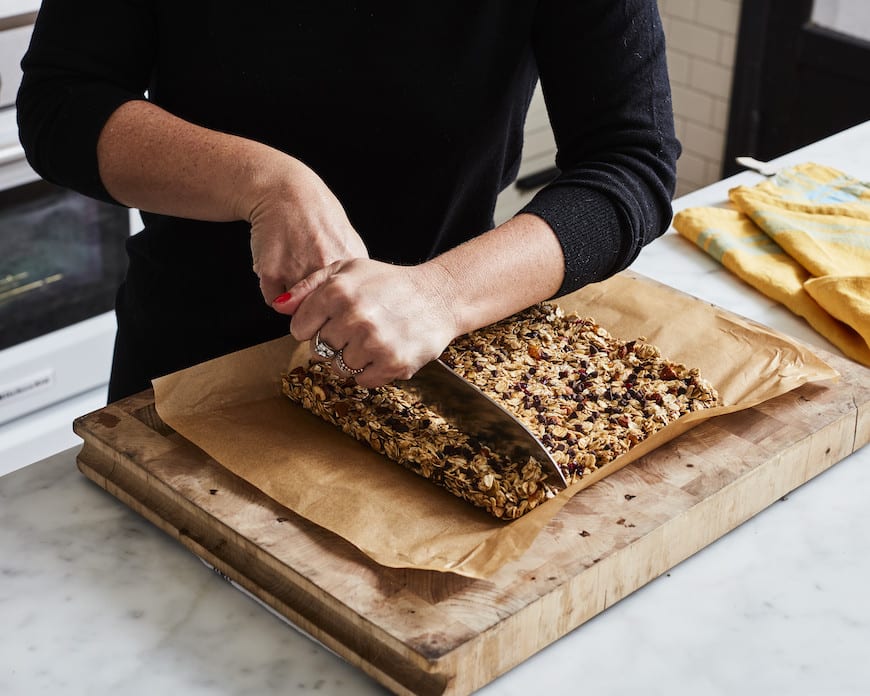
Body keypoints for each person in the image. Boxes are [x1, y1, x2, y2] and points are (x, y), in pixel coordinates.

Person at [17, 1, 680, 401]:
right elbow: (61, 104)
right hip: (190, 361)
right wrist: (264, 181)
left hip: (431, 356)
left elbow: (630, 163)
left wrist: (440, 294)